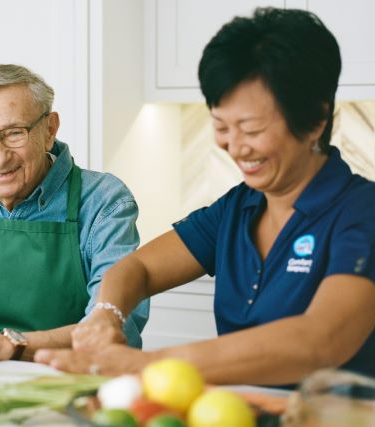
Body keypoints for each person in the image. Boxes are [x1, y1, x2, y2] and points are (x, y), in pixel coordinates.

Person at [35, 8, 375, 387]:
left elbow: (318, 342)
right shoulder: (237, 208)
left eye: (251, 128)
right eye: (221, 126)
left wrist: (141, 365)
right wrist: (106, 314)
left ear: (315, 119)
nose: (235, 146)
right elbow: (138, 269)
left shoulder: (362, 212)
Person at [0, 64, 148, 367]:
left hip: (69, 383)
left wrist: (3, 345)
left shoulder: (102, 200)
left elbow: (114, 330)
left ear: (49, 130)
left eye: (13, 134)